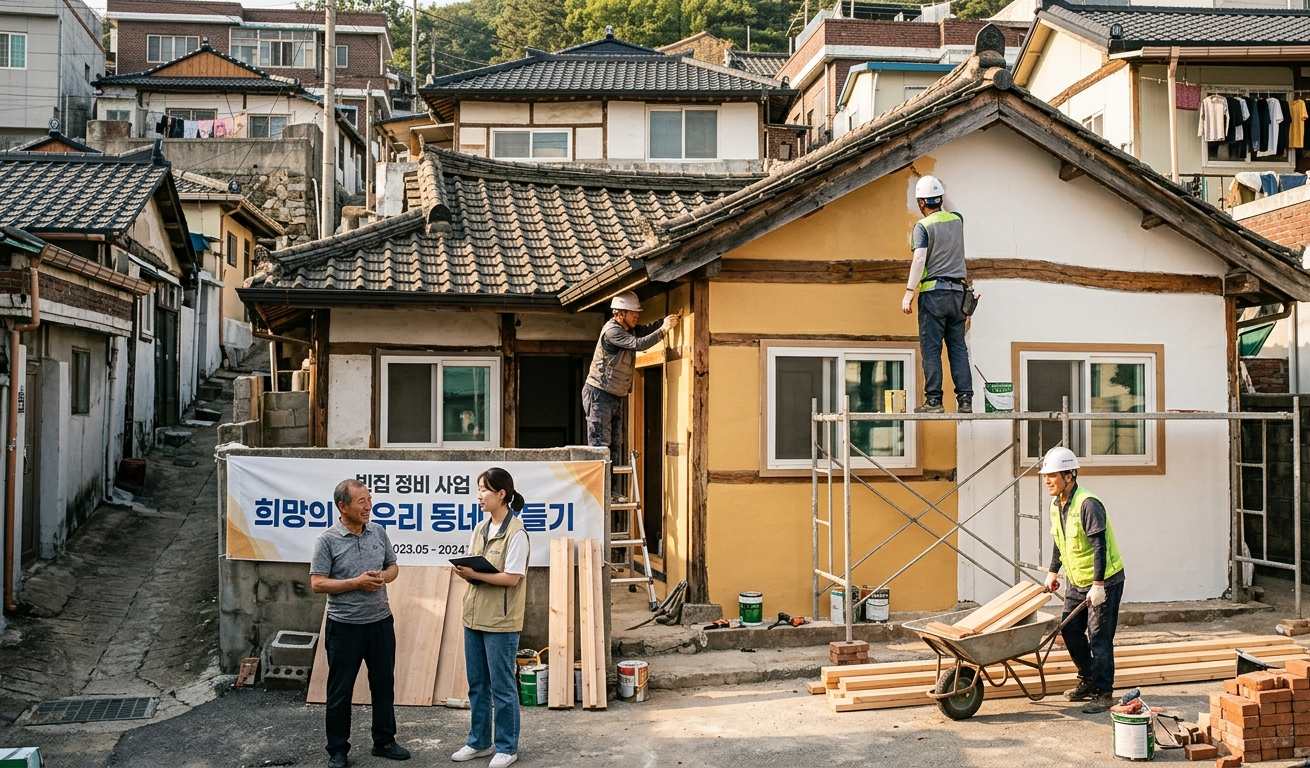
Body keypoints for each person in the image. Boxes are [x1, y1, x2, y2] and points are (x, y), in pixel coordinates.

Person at [310, 478, 410, 767]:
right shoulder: (327, 540)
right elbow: (318, 584)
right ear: (343, 506)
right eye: (361, 501)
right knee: (340, 690)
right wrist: (357, 583)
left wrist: (384, 578)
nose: (368, 506)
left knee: (383, 684)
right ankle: (338, 749)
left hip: (380, 622)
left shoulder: (378, 532)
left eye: (369, 499)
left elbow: (392, 566)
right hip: (344, 626)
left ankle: (384, 740)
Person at [451, 468, 530, 768]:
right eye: (478, 489)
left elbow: (511, 578)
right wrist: (466, 572)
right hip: (474, 617)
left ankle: (507, 747)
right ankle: (479, 742)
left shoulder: (516, 533)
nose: (479, 495)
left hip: (500, 621)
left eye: (484, 490)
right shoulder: (480, 529)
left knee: (502, 687)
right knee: (477, 685)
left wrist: (474, 573)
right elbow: (479, 568)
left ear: (501, 494)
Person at [1039, 447, 1126, 715]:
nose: (1047, 481)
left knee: (1099, 637)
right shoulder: (1057, 505)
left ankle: (1104, 692)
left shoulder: (1088, 503)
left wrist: (1098, 585)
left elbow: (1099, 546)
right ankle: (1088, 679)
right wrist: (1053, 571)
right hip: (1076, 581)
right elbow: (1059, 539)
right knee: (1069, 630)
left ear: (1069, 475)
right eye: (1045, 476)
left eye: (1052, 476)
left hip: (1104, 581)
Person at [901, 175, 974, 414]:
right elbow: (952, 208)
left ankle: (934, 400)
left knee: (932, 348)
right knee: (957, 347)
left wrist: (909, 292)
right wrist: (941, 187)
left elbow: (920, 258)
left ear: (921, 203)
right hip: (959, 295)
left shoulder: (923, 227)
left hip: (934, 294)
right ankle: (965, 400)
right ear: (940, 199)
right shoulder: (957, 220)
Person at [583, 291, 679, 463]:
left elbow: (646, 330)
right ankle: (600, 489)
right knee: (600, 445)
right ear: (620, 313)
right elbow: (638, 344)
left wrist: (665, 321)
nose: (637, 316)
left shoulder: (630, 329)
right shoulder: (612, 331)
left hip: (615, 394)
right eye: (633, 312)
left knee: (615, 446)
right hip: (599, 394)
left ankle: (610, 488)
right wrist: (664, 329)